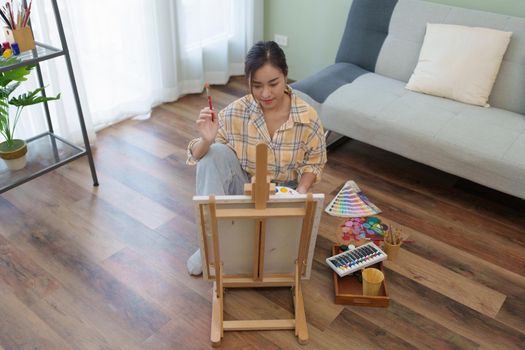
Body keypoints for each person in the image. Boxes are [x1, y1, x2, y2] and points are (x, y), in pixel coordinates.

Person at [186, 41, 327, 275]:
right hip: (247, 187)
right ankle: (210, 245)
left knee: (273, 255)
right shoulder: (236, 111)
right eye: (257, 85)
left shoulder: (307, 116)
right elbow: (197, 156)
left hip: (284, 194)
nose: (265, 94)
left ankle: (240, 239)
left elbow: (316, 160)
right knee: (213, 154)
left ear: (285, 75)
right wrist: (206, 140)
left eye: (274, 84)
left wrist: (302, 188)